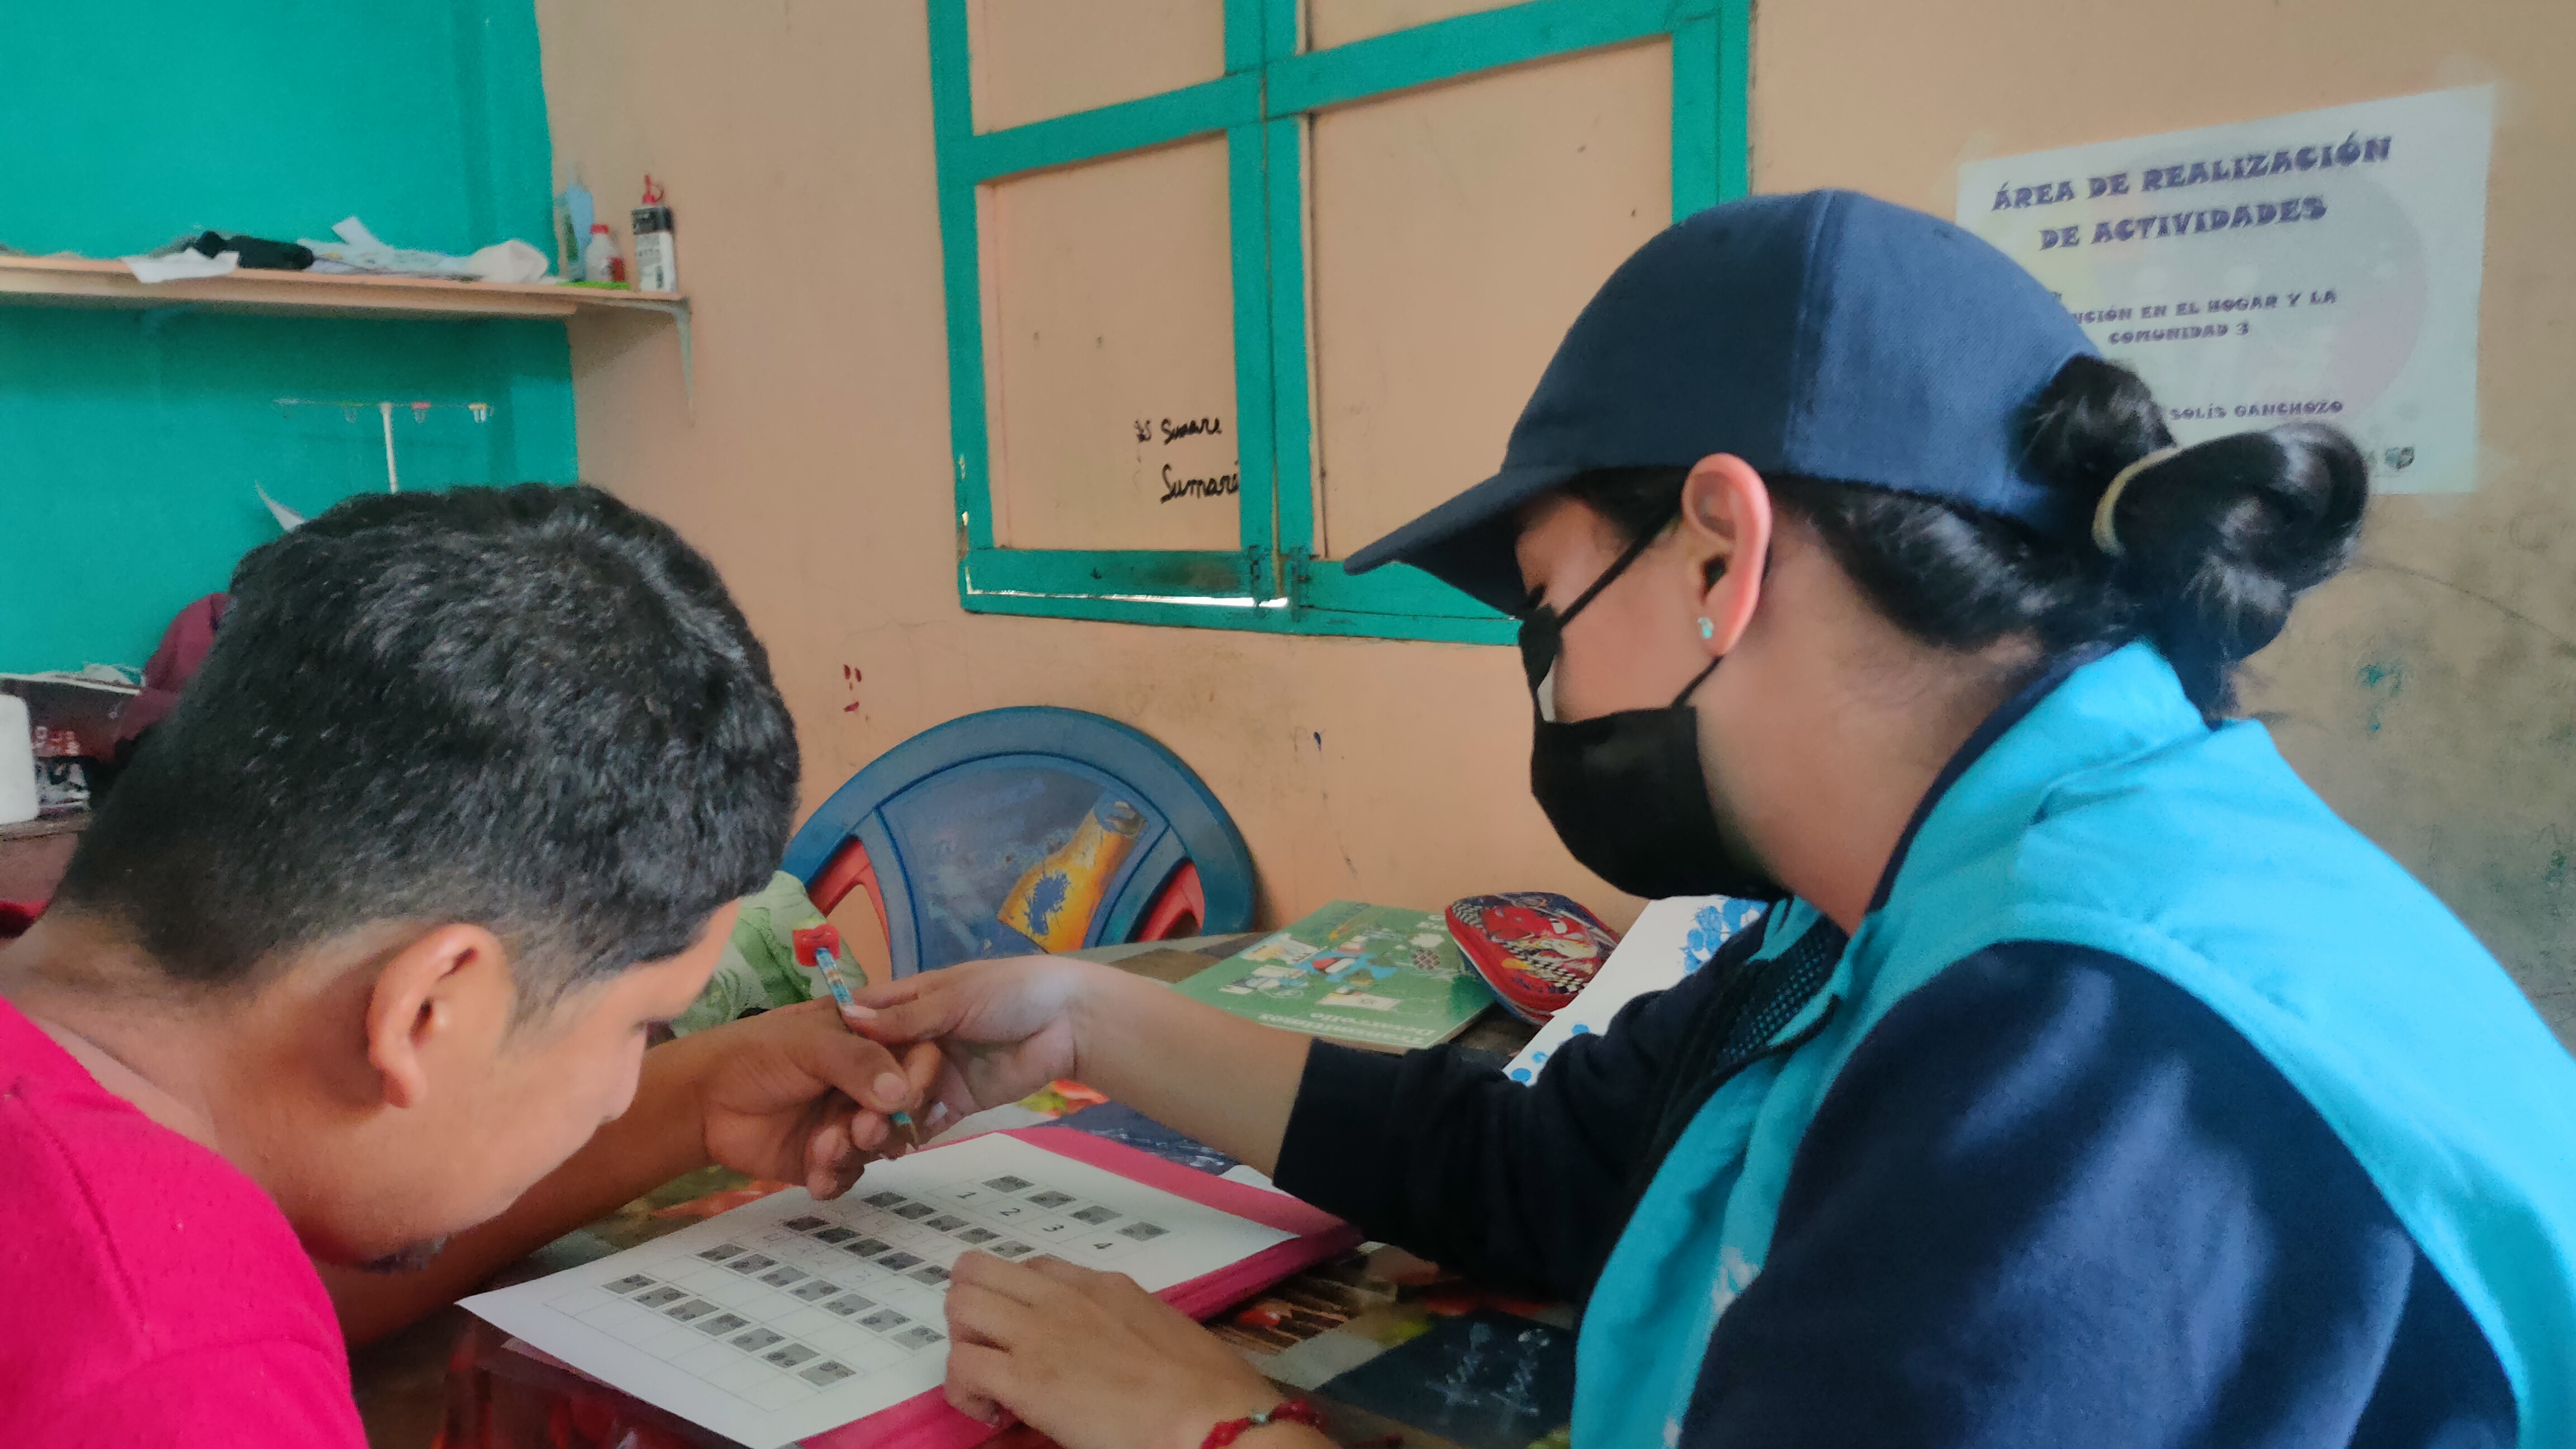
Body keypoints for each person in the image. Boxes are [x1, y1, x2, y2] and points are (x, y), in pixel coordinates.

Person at [846, 191, 2576, 1449]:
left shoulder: (2093, 1034)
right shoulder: (1903, 898)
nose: (1546, 678)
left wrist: (1209, 1427)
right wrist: (1086, 1016)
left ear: (1718, 557)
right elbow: (1548, 1175)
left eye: (1546, 606)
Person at [0, 485, 931, 1444]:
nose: (620, 1093)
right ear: (427, 1011)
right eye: (638, 1026)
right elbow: (178, 1331)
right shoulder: (183, 1380)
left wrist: (695, 1098)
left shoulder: (77, 1066)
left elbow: (238, 1252)